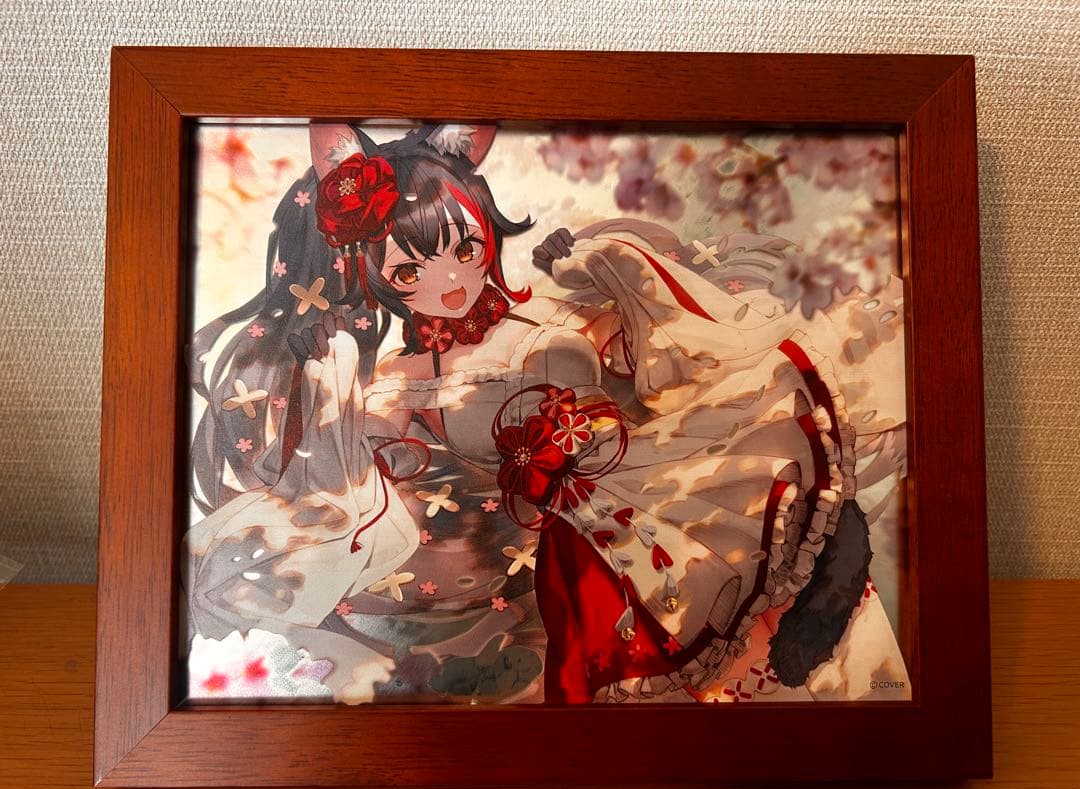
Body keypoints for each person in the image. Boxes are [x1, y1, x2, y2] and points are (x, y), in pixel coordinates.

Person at [183, 123, 910, 705]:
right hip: (547, 570)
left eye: (465, 249)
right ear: (377, 278)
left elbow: (641, 360)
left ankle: (830, 576)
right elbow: (363, 479)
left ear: (487, 233)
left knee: (748, 543)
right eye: (408, 270)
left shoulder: (549, 331)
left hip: (626, 511)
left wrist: (593, 271)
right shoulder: (386, 380)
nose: (448, 281)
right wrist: (341, 399)